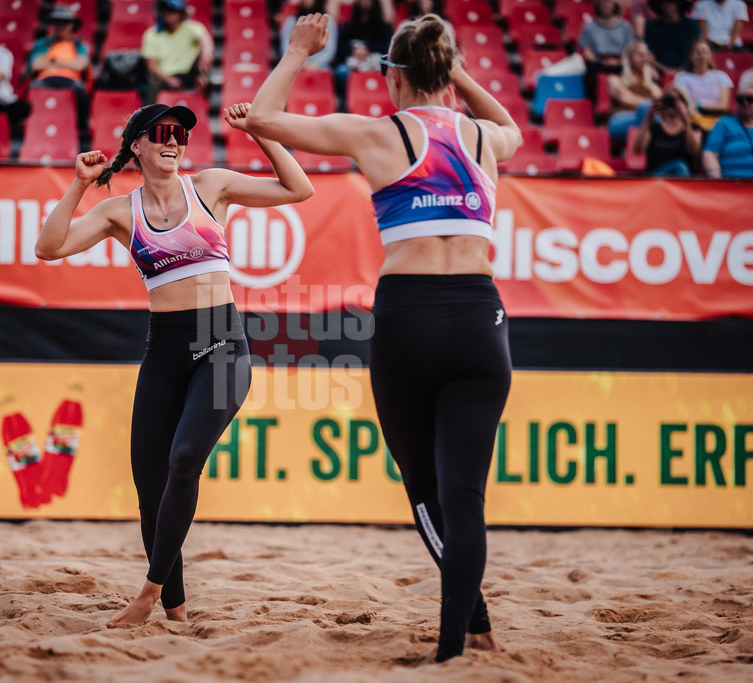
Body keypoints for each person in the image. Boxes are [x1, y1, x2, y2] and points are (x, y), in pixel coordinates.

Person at [246, 12, 521, 662]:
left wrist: (295, 53)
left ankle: (467, 625)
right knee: (466, 497)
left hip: (410, 319)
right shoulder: (485, 138)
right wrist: (461, 76)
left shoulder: (378, 133)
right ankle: (461, 638)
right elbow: (513, 126)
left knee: (425, 490)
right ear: (446, 74)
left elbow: (262, 118)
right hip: (482, 319)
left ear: (394, 76)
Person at [35, 102, 313, 624]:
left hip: (221, 341)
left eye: (181, 134)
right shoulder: (121, 211)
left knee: (185, 458)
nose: (173, 141)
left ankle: (146, 596)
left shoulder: (210, 186)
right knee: (149, 488)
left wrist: (258, 132)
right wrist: (79, 185)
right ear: (136, 145)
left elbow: (299, 188)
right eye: (161, 133)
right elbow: (48, 247)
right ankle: (176, 610)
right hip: (164, 349)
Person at [26, 4, 92, 134]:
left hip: (71, 80)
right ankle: (35, 126)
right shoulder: (41, 44)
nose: (61, 26)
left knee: (80, 90)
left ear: (72, 26)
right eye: (57, 22)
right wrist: (67, 63)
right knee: (33, 86)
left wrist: (53, 61)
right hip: (45, 80)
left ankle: (80, 126)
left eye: (65, 23)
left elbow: (80, 65)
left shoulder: (80, 46)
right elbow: (35, 65)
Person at [140, 0, 214, 105]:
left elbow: (206, 41)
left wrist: (207, 53)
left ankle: (203, 108)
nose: (167, 14)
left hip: (189, 73)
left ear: (181, 13)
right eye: (164, 10)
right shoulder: (151, 34)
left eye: (172, 10)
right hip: (165, 76)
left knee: (204, 64)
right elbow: (152, 68)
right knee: (154, 83)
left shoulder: (192, 28)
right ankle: (150, 115)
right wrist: (170, 79)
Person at [631, 83, 704, 175]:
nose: (672, 104)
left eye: (677, 100)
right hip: (658, 178)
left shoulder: (694, 128)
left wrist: (686, 120)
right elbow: (637, 149)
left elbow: (694, 150)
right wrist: (648, 118)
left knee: (680, 166)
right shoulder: (655, 128)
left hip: (684, 179)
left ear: (685, 103)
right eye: (669, 99)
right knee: (680, 166)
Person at [333, 0, 394, 99]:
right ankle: (346, 103)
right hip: (352, 62)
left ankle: (380, 101)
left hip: (375, 62)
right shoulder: (348, 26)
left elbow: (388, 48)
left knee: (389, 73)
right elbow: (340, 49)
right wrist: (354, 51)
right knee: (341, 72)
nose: (365, 3)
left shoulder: (383, 26)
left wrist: (368, 50)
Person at [577, 0, 636, 99]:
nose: (605, 5)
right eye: (602, 2)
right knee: (590, 72)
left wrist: (618, 61)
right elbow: (587, 52)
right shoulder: (589, 27)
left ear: (615, 4)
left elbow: (630, 51)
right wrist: (602, 61)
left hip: (620, 63)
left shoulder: (626, 27)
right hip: (598, 63)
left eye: (609, 2)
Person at [607, 40, 663, 142]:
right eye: (640, 55)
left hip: (646, 122)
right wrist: (648, 104)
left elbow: (659, 104)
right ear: (629, 57)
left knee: (650, 116)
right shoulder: (615, 80)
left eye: (646, 55)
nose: (644, 58)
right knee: (647, 109)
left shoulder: (653, 86)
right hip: (620, 118)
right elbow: (624, 98)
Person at [674, 38, 733, 129]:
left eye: (705, 52)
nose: (702, 56)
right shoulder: (682, 77)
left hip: (717, 121)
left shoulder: (721, 76)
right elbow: (683, 104)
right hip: (691, 121)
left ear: (710, 55)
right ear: (690, 56)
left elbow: (723, 106)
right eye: (697, 52)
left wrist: (698, 105)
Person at [279, 0, 339, 71]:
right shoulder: (291, 21)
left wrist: (315, 64)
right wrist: (300, 63)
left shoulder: (328, 22)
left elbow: (329, 51)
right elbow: (286, 48)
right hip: (295, 64)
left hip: (321, 66)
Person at [644, 0, 701, 73]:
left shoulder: (691, 25)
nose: (668, 5)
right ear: (660, 5)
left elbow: (697, 49)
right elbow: (650, 56)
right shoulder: (652, 27)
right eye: (664, 2)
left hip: (690, 70)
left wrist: (683, 69)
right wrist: (665, 70)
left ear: (678, 4)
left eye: (671, 2)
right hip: (660, 71)